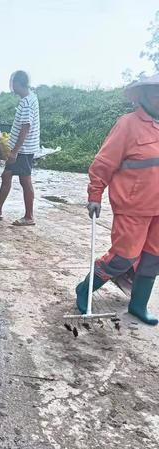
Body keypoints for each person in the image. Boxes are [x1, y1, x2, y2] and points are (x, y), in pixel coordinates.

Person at [75, 73, 159, 326]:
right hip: (133, 206)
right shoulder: (128, 124)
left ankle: (138, 305)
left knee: (154, 258)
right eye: (155, 91)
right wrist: (95, 194)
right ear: (143, 96)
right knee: (124, 256)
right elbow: (103, 162)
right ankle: (85, 288)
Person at [0, 70, 40, 226]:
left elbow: (25, 128)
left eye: (12, 82)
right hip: (20, 148)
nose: (11, 86)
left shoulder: (27, 102)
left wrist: (15, 151)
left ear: (17, 83)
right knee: (6, 175)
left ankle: (29, 216)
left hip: (24, 149)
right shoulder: (28, 98)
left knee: (25, 180)